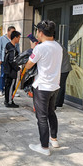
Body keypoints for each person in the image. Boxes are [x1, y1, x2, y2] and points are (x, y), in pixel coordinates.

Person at [25, 20, 62, 156]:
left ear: (40, 33)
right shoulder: (58, 46)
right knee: (51, 112)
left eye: (37, 31)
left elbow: (28, 65)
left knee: (41, 117)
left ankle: (44, 147)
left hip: (42, 87)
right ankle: (54, 139)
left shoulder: (40, 48)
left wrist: (33, 48)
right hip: (54, 86)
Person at [0, 26, 20, 97]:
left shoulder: (15, 40)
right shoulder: (2, 38)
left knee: (12, 77)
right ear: (8, 31)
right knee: (3, 75)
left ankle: (12, 91)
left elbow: (18, 50)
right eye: (12, 31)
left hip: (13, 61)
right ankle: (1, 89)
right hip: (4, 60)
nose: (13, 33)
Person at [4, 31, 21, 108]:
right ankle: (9, 102)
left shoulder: (8, 45)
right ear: (15, 38)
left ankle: (7, 100)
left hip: (7, 69)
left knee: (7, 86)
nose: (19, 39)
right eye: (18, 38)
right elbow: (12, 61)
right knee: (11, 86)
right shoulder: (12, 49)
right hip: (11, 71)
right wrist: (18, 68)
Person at [55, 42, 72, 109]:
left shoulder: (56, 46)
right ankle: (59, 103)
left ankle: (55, 105)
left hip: (63, 69)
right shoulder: (57, 45)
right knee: (61, 85)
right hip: (64, 69)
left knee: (58, 86)